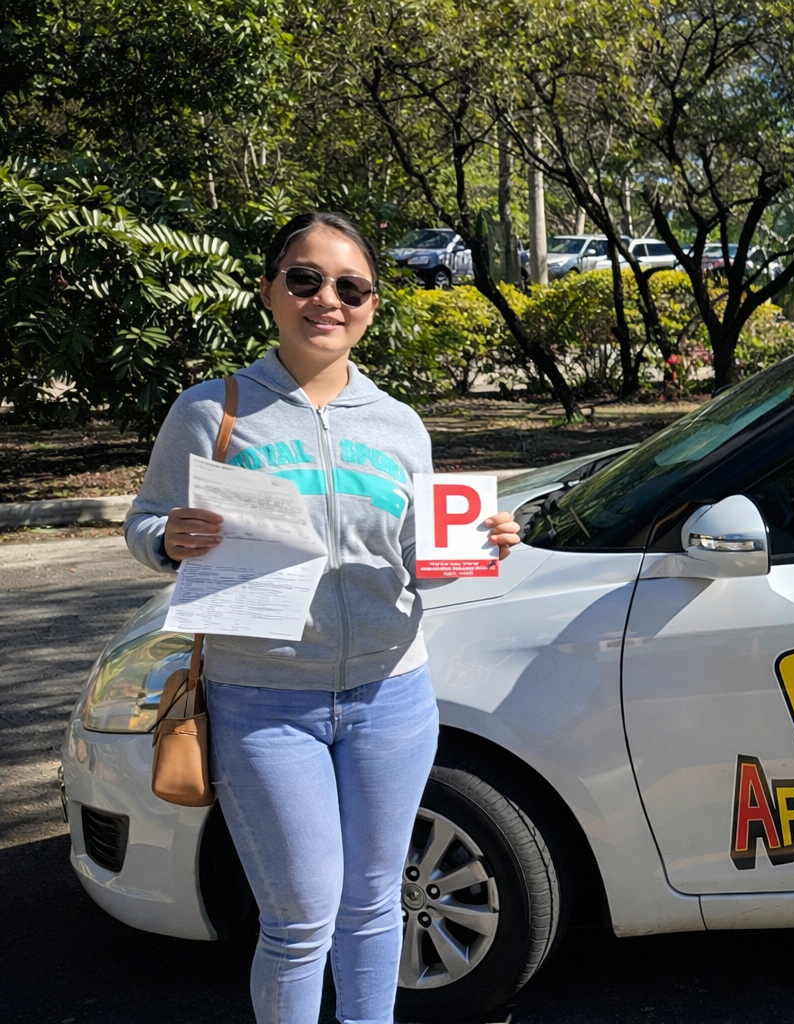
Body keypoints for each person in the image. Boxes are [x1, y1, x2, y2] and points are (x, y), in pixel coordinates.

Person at [125, 211, 520, 1024]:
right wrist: (170, 536)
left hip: (392, 698)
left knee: (375, 905)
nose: (326, 299)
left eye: (350, 286)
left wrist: (476, 546)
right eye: (304, 279)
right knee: (301, 919)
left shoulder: (399, 425)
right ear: (272, 290)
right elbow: (146, 523)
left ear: (372, 306)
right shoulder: (211, 411)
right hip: (265, 702)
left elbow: (418, 563)